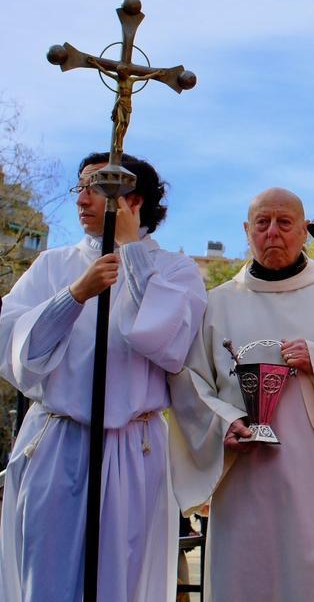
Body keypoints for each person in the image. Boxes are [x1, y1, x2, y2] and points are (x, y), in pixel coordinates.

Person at [0, 152, 206, 601]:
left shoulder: (175, 269)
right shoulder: (53, 266)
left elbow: (165, 344)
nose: (81, 198)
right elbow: (19, 354)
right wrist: (74, 296)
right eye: (80, 186)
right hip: (58, 440)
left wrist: (130, 254)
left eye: (95, 187)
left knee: (120, 581)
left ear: (131, 199)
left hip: (132, 447)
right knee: (46, 576)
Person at [169, 187, 314, 601]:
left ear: (304, 231)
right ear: (247, 231)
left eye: (284, 223)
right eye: (262, 223)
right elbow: (188, 382)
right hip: (243, 478)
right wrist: (222, 423)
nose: (273, 233)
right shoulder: (216, 305)